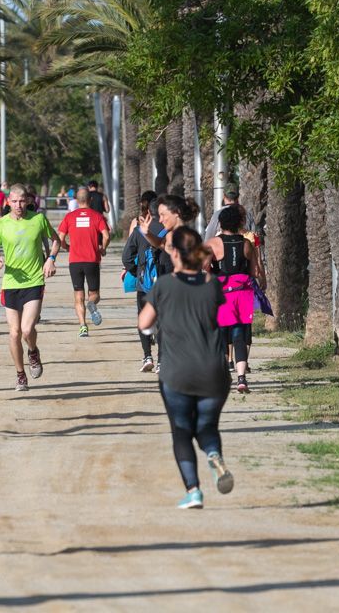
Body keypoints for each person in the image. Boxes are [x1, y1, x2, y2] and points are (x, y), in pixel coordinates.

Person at [138, 225, 235, 509]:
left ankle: (193, 491)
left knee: (181, 430)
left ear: (177, 255)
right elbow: (219, 312)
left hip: (177, 372)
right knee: (206, 426)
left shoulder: (164, 285)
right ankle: (213, 453)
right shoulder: (212, 284)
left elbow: (144, 324)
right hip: (214, 372)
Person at [0, 185, 58, 391]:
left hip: (34, 281)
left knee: (27, 330)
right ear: (8, 201)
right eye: (15, 201)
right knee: (14, 333)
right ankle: (20, 374)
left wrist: (50, 259)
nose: (18, 205)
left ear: (27, 200)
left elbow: (56, 240)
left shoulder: (38, 219)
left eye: (22, 201)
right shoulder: (0, 225)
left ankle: (33, 352)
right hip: (10, 283)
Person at [204, 205, 262, 395]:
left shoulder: (212, 243)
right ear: (240, 223)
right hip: (243, 291)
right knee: (240, 334)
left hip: (221, 291)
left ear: (220, 223)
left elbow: (204, 268)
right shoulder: (247, 244)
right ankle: (241, 378)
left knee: (220, 334)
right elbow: (254, 272)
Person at [121, 191, 161, 373]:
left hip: (144, 283)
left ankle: (147, 356)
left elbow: (127, 257)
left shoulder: (139, 231)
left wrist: (137, 272)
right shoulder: (168, 231)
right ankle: (163, 360)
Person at [57, 198, 110, 337]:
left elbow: (60, 238)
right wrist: (103, 248)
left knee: (78, 295)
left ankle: (83, 326)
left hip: (75, 262)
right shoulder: (97, 216)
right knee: (94, 294)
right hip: (92, 260)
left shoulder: (69, 217)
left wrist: (67, 247)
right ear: (90, 200)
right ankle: (92, 304)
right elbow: (106, 235)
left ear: (77, 201)